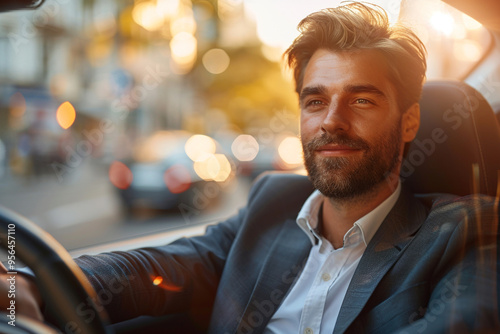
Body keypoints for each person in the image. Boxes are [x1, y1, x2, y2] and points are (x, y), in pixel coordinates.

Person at [2, 2, 499, 333]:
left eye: (362, 100)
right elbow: (159, 266)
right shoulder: (271, 202)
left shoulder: (466, 230)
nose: (332, 122)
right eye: (315, 100)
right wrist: (27, 280)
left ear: (409, 121)